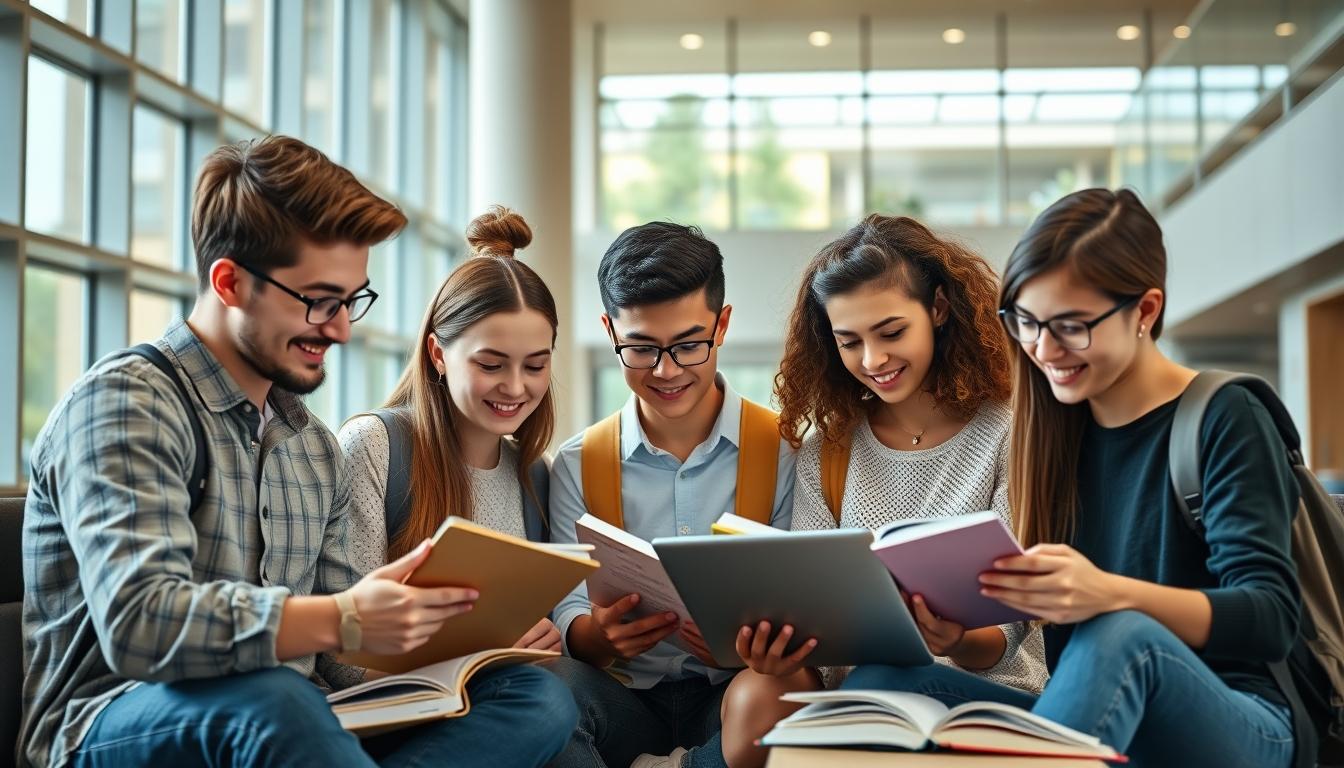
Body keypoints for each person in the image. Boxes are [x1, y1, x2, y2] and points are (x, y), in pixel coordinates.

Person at [19, 137, 576, 768]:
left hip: (295, 716)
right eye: (318, 300)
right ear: (229, 282)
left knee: (535, 697)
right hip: (116, 721)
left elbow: (332, 666)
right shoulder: (128, 402)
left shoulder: (311, 447)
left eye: (350, 301)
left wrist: (435, 639)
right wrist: (343, 617)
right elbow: (141, 623)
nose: (339, 329)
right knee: (275, 697)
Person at [844, 188, 1332, 767]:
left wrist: (1110, 595)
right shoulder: (1051, 425)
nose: (1044, 349)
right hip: (1090, 705)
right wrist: (954, 638)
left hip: (1243, 718)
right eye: (1026, 321)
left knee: (1117, 633)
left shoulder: (1226, 415)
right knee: (883, 682)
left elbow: (1271, 619)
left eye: (1071, 326)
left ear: (1146, 311)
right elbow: (1028, 635)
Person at [718, 214, 1047, 768]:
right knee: (753, 692)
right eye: (850, 342)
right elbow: (815, 610)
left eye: (891, 332)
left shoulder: (1011, 433)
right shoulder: (833, 446)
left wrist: (953, 639)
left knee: (872, 688)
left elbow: (1008, 636)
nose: (873, 361)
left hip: (984, 685)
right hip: (854, 688)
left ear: (939, 309)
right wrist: (780, 650)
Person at [546, 222, 796, 768]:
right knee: (545, 692)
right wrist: (598, 635)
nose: (666, 370)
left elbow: (804, 591)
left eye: (688, 345)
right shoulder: (576, 463)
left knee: (779, 691)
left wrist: (749, 640)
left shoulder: (784, 450)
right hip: (621, 695)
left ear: (722, 324)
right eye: (640, 348)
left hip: (731, 694)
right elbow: (565, 598)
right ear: (610, 331)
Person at [337, 205, 563, 661]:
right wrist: (472, 650)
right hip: (401, 712)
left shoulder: (534, 474)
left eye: (536, 365)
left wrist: (551, 641)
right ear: (438, 354)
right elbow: (340, 649)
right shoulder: (376, 446)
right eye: (490, 364)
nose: (516, 387)